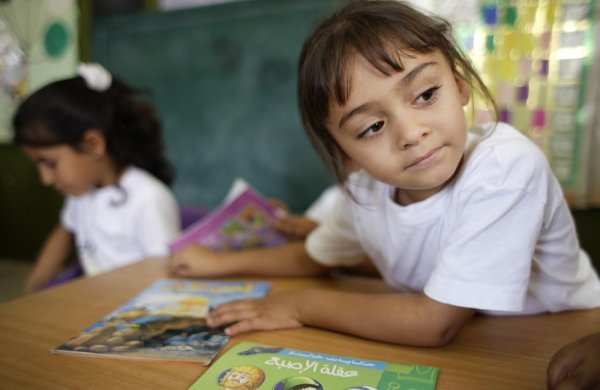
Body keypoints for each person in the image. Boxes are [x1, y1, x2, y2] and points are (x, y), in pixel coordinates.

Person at [203, 0, 600, 347]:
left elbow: (434, 324)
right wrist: (214, 266)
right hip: (478, 339)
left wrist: (298, 304)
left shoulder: (504, 168)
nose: (411, 133)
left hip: (559, 336)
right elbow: (314, 257)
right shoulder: (365, 188)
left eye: (426, 94)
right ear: (344, 150)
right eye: (371, 127)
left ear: (459, 85)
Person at [14, 63, 180, 294]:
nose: (45, 179)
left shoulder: (148, 198)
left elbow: (166, 273)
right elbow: (62, 234)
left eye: (50, 164)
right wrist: (31, 290)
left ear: (93, 145)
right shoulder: (81, 193)